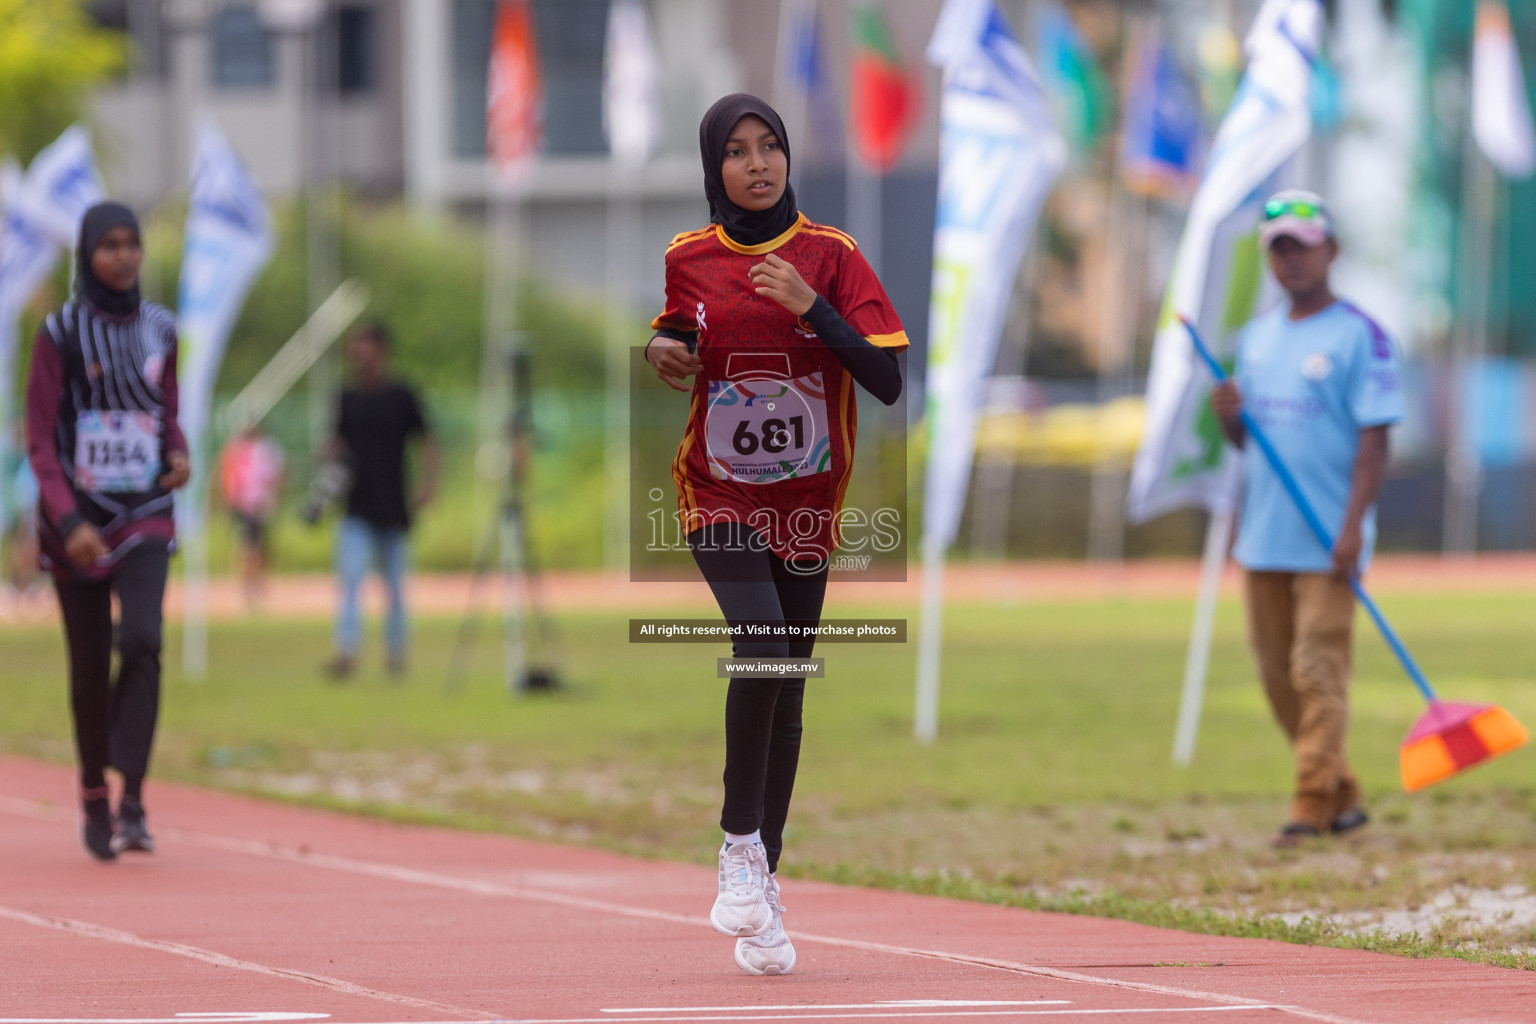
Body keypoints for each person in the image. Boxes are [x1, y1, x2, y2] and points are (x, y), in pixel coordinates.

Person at [646, 94, 907, 975]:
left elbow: (886, 380)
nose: (756, 164)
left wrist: (811, 307)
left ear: (789, 158)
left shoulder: (833, 257)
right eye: (736, 152)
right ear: (713, 167)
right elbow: (678, 335)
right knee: (760, 643)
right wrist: (661, 352)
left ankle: (762, 889)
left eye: (771, 148)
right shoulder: (691, 258)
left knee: (788, 682)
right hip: (715, 489)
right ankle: (735, 845)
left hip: (809, 503)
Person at [1209, 190, 1405, 850]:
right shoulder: (1258, 338)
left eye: (1302, 245)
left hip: (1329, 540)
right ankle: (1343, 791)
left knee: (1318, 670)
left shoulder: (1363, 336)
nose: (1290, 260)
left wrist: (1354, 527)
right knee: (1276, 678)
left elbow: (1376, 442)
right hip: (1264, 536)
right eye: (1279, 250)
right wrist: (1230, 420)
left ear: (1332, 251)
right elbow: (1250, 444)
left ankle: (1309, 801)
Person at [25, 201, 191, 861]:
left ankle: (135, 798)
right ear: (87, 254)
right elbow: (39, 434)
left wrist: (177, 452)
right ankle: (95, 792)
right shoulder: (60, 332)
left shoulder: (162, 328)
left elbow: (166, 411)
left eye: (133, 244)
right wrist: (66, 519)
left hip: (146, 509)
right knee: (90, 667)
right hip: (79, 520)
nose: (124, 256)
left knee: (145, 640)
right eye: (110, 245)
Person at [323, 322, 440, 679]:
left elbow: (429, 442)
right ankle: (347, 651)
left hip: (393, 504)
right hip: (357, 504)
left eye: (364, 347)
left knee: (395, 586)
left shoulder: (402, 395)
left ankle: (396, 652)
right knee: (351, 579)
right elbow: (335, 442)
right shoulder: (346, 397)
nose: (357, 355)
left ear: (381, 350)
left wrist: (428, 484)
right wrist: (328, 461)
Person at [219, 423, 285, 611]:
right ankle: (249, 586)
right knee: (250, 547)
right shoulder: (240, 449)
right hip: (246, 504)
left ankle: (255, 584)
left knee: (257, 547)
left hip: (259, 504)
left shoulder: (262, 449)